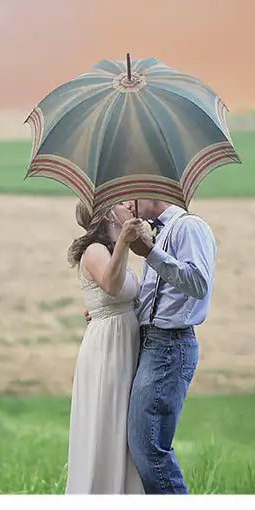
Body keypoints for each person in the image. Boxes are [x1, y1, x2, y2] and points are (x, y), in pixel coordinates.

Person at [123, 199, 217, 494]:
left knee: (148, 447)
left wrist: (150, 253)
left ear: (151, 192)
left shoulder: (189, 227)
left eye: (130, 197)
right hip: (154, 344)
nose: (126, 205)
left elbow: (198, 283)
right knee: (142, 445)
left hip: (169, 345)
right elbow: (154, 299)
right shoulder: (159, 232)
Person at [64, 200, 146, 494]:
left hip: (124, 343)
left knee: (123, 426)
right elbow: (111, 285)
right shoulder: (95, 251)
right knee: (107, 421)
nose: (130, 206)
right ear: (110, 213)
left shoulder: (111, 252)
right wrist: (124, 241)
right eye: (123, 203)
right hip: (107, 350)